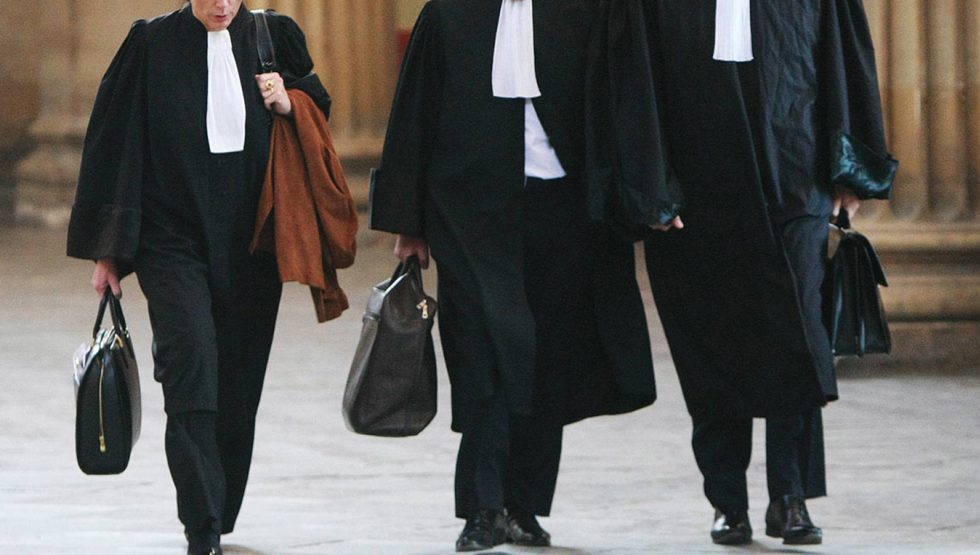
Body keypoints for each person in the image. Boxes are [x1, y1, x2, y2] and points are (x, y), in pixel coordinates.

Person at [586, 0, 894, 546]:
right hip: (696, 190)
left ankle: (790, 497)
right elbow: (632, 77)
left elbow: (842, 54)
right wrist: (650, 186)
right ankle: (727, 501)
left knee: (797, 333)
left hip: (793, 177)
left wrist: (850, 170)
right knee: (709, 345)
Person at [370, 0, 657, 551]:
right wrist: (408, 222)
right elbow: (414, 115)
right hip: (468, 211)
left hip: (563, 209)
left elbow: (620, 104)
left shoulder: (582, 12)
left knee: (548, 358)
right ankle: (482, 509)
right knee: (480, 353)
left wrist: (644, 193)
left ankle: (523, 505)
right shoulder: (449, 14)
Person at [66, 1, 330, 553]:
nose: (221, 4)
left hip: (253, 240)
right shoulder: (150, 45)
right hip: (171, 239)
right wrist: (109, 251)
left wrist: (289, 102)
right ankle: (201, 525)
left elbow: (318, 108)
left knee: (238, 382)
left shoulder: (273, 35)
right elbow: (116, 143)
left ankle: (220, 507)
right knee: (190, 365)